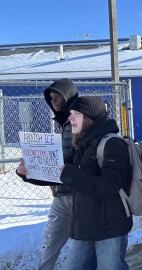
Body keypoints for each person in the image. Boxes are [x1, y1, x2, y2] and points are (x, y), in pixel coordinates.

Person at [18, 96, 133, 269]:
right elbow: (59, 174)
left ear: (89, 118)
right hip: (85, 226)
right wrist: (29, 172)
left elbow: (108, 186)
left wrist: (71, 174)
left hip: (110, 227)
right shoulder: (81, 144)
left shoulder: (113, 143)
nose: (70, 117)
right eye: (70, 113)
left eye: (76, 113)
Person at [16, 78, 78, 270]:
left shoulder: (81, 122)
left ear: (68, 96)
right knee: (49, 242)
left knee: (81, 247)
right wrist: (28, 172)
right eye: (51, 97)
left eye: (57, 96)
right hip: (60, 195)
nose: (54, 101)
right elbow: (56, 163)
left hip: (81, 195)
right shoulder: (61, 124)